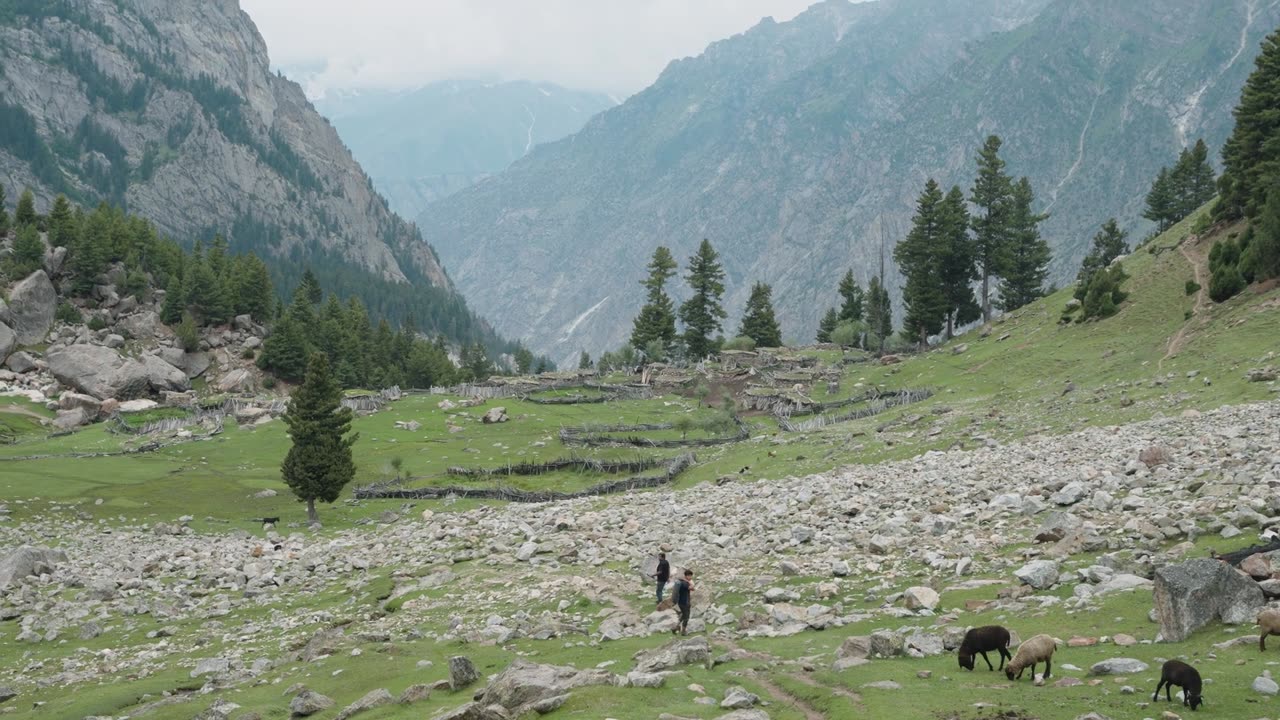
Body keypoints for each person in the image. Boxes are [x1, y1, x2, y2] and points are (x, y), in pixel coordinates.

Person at [673, 569, 694, 635]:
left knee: (683, 615)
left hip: (681, 602)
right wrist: (690, 583)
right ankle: (683, 631)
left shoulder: (682, 582)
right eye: (690, 576)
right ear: (686, 576)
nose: (691, 577)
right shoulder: (684, 583)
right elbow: (692, 588)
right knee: (686, 617)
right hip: (685, 602)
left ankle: (676, 627)